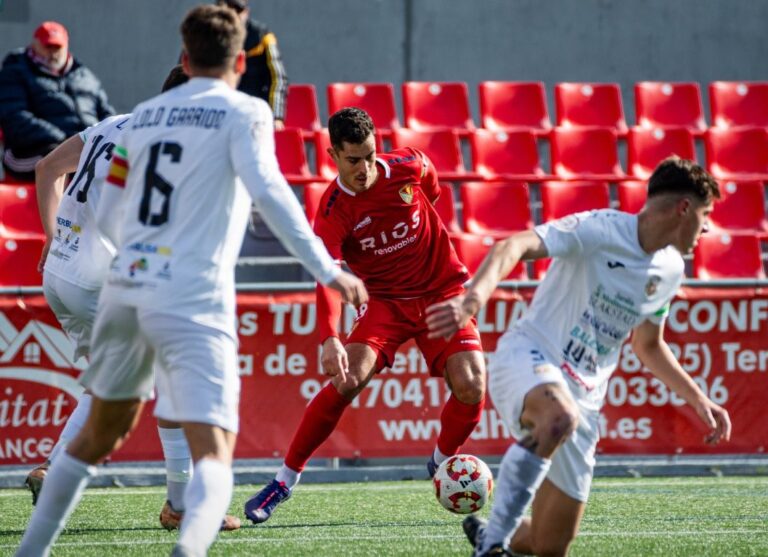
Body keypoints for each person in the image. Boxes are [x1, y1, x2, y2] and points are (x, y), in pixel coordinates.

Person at [15, 6, 366, 557]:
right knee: (215, 450)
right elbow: (273, 197)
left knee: (97, 432)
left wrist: (136, 252)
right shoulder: (243, 111)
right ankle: (187, 542)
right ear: (237, 62)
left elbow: (108, 211)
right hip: (191, 294)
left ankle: (30, 551)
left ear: (184, 56)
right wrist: (328, 269)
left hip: (127, 284)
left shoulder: (147, 115)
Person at [425, 157, 732, 557]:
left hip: (585, 399)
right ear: (684, 209)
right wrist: (472, 300)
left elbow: (648, 345)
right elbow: (512, 245)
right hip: (530, 357)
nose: (707, 228)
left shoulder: (671, 269)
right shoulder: (600, 229)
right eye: (706, 214)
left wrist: (698, 398)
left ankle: (491, 535)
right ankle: (493, 548)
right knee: (558, 418)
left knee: (549, 545)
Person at [243, 107, 487, 524]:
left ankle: (441, 461)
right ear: (333, 154)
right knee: (347, 379)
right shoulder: (333, 211)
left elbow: (433, 189)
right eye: (353, 159)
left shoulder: (410, 165)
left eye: (371, 155)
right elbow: (327, 278)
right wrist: (330, 337)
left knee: (471, 384)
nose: (365, 167)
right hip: (385, 302)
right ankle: (283, 481)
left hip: (439, 292)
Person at [26, 64, 241, 532]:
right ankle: (182, 504)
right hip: (105, 279)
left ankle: (53, 467)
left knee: (112, 379)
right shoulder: (165, 147)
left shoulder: (110, 124)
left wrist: (50, 233)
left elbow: (46, 169)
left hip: (61, 273)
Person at [0, 21, 114, 180]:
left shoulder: (85, 76)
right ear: (35, 45)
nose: (53, 52)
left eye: (57, 47)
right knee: (65, 158)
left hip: (85, 146)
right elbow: (15, 118)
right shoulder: (14, 72)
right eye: (48, 46)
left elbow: (107, 115)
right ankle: (59, 205)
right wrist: (66, 140)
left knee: (120, 158)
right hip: (31, 152)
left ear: (66, 45)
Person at [216, 0, 288, 129]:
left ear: (246, 11)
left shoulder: (262, 36)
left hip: (253, 112)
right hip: (216, 113)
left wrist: (276, 117)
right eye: (225, 8)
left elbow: (278, 78)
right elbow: (183, 74)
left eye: (237, 8)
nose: (231, 13)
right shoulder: (203, 35)